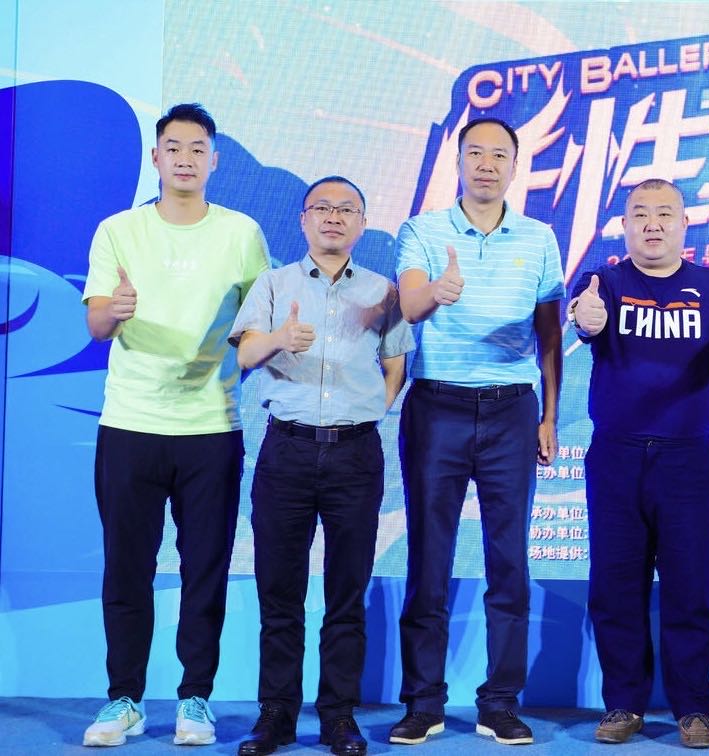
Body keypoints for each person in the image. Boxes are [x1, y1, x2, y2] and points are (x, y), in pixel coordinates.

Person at [80, 102, 270, 747]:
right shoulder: (118, 230)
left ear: (213, 160)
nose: (185, 159)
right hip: (130, 423)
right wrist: (116, 310)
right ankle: (124, 699)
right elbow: (96, 324)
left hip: (212, 425)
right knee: (125, 568)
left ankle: (196, 699)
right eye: (174, 147)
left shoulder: (241, 232)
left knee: (205, 567)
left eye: (197, 149)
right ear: (156, 157)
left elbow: (258, 322)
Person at [567, 179, 709, 749]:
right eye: (640, 215)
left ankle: (694, 708)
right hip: (616, 455)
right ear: (624, 225)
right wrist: (586, 315)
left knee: (692, 586)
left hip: (688, 457)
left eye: (665, 214)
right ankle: (623, 703)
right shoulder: (604, 282)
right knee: (615, 585)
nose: (652, 225)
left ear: (684, 224)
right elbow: (583, 317)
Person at [391, 117, 564, 746]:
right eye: (475, 154)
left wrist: (549, 416)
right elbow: (409, 305)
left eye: (499, 155)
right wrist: (438, 291)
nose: (486, 164)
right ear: (458, 162)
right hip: (436, 407)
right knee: (429, 558)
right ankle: (423, 702)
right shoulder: (422, 230)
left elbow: (550, 336)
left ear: (515, 166)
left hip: (511, 411)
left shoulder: (539, 237)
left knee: (508, 559)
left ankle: (500, 702)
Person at [229, 176, 414, 756]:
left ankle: (338, 715)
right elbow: (245, 353)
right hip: (286, 449)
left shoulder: (383, 291)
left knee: (346, 592)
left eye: (346, 209)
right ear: (303, 220)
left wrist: (373, 410)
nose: (334, 217)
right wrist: (279, 337)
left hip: (355, 454)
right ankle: (276, 715)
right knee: (279, 591)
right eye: (322, 208)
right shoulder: (273, 283)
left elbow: (396, 363)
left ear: (361, 223)